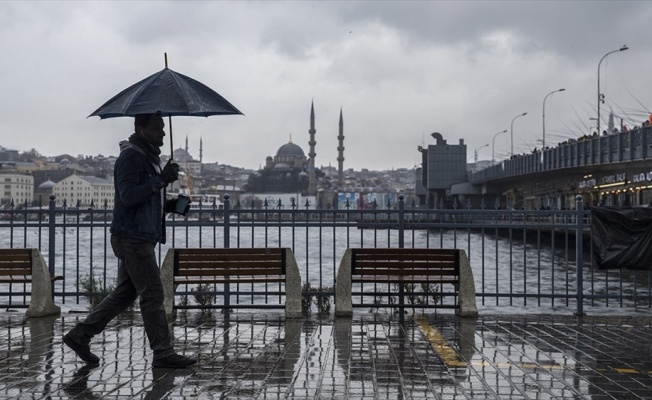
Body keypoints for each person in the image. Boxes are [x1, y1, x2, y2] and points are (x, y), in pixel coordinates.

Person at [64, 112, 196, 368]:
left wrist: (171, 205)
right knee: (153, 293)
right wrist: (161, 180)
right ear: (141, 128)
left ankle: (79, 336)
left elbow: (145, 200)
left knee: (126, 294)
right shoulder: (130, 157)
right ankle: (162, 352)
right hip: (132, 238)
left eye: (163, 128)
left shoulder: (147, 158)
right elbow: (128, 197)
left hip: (140, 236)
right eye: (158, 128)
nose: (163, 133)